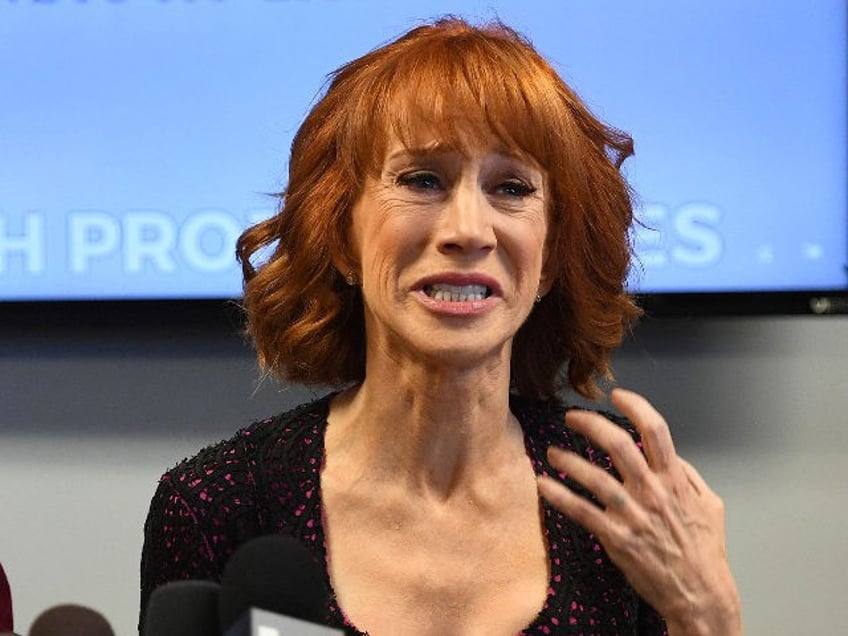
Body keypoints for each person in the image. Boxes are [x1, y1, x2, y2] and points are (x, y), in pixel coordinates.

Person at [140, 17, 742, 635]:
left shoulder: (624, 494)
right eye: (422, 180)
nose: (469, 230)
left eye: (511, 188)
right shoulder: (217, 505)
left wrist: (711, 616)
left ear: (550, 259)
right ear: (339, 236)